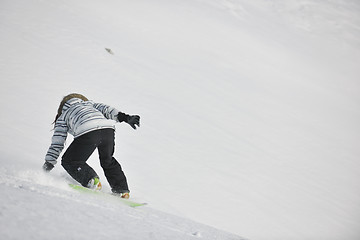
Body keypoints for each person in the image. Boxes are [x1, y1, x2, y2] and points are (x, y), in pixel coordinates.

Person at [43, 93, 140, 199]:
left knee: (70, 161)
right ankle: (122, 190)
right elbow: (107, 109)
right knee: (108, 160)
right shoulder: (91, 105)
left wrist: (49, 162)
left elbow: (58, 142)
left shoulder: (63, 116)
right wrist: (125, 118)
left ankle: (91, 180)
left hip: (88, 132)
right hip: (108, 130)